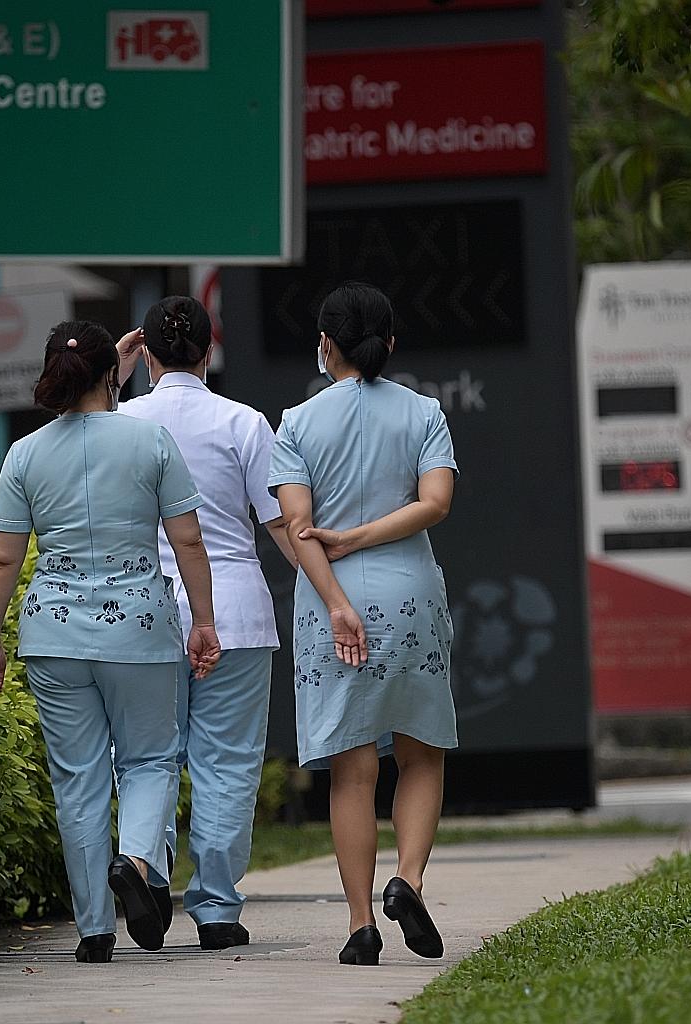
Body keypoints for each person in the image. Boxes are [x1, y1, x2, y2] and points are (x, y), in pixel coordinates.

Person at [0, 321, 222, 964]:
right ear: (111, 376)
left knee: (77, 778)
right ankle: (137, 864)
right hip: (139, 627)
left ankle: (93, 930)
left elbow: (4, 560)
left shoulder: (25, 454)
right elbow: (189, 540)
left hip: (53, 633)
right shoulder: (150, 440)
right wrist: (204, 620)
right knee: (148, 760)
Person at [267, 282, 459, 967]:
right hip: (411, 594)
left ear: (326, 345)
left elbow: (297, 527)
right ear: (391, 343)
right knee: (420, 754)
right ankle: (406, 880)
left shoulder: (295, 422)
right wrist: (369, 534)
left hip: (331, 604)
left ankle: (359, 926)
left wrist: (338, 597)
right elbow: (436, 503)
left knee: (351, 772)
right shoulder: (425, 412)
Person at [114, 296, 298, 950]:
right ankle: (217, 911)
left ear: (148, 354)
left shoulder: (121, 422)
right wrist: (329, 588)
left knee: (145, 759)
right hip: (235, 614)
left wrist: (112, 375)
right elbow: (280, 523)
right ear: (209, 349)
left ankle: (146, 871)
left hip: (143, 613)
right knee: (227, 765)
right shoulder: (245, 424)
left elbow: (69, 438)